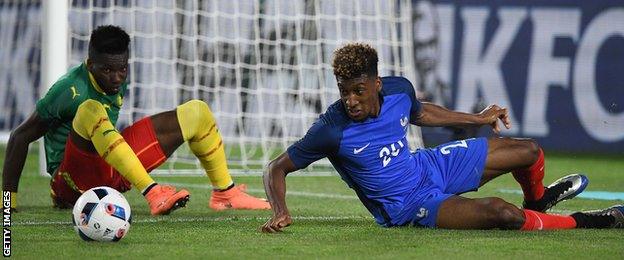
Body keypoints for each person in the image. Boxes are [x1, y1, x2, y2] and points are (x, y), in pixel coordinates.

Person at [261, 43, 623, 232]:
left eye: (358, 90)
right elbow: (276, 168)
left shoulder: (399, 90)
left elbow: (422, 113)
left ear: (376, 83)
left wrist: (478, 119)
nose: (350, 100)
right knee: (503, 214)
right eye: (343, 91)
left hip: (429, 166)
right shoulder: (331, 129)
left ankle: (539, 201)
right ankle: (587, 220)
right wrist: (281, 210)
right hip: (406, 206)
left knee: (527, 151)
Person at [2, 25, 270, 215]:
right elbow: (20, 136)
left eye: (122, 69)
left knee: (197, 112)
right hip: (70, 183)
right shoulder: (70, 89)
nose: (117, 77)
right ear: (89, 64)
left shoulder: (116, 76)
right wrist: (6, 202)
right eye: (107, 69)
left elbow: (115, 80)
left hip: (111, 171)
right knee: (91, 110)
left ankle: (226, 193)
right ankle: (154, 194)